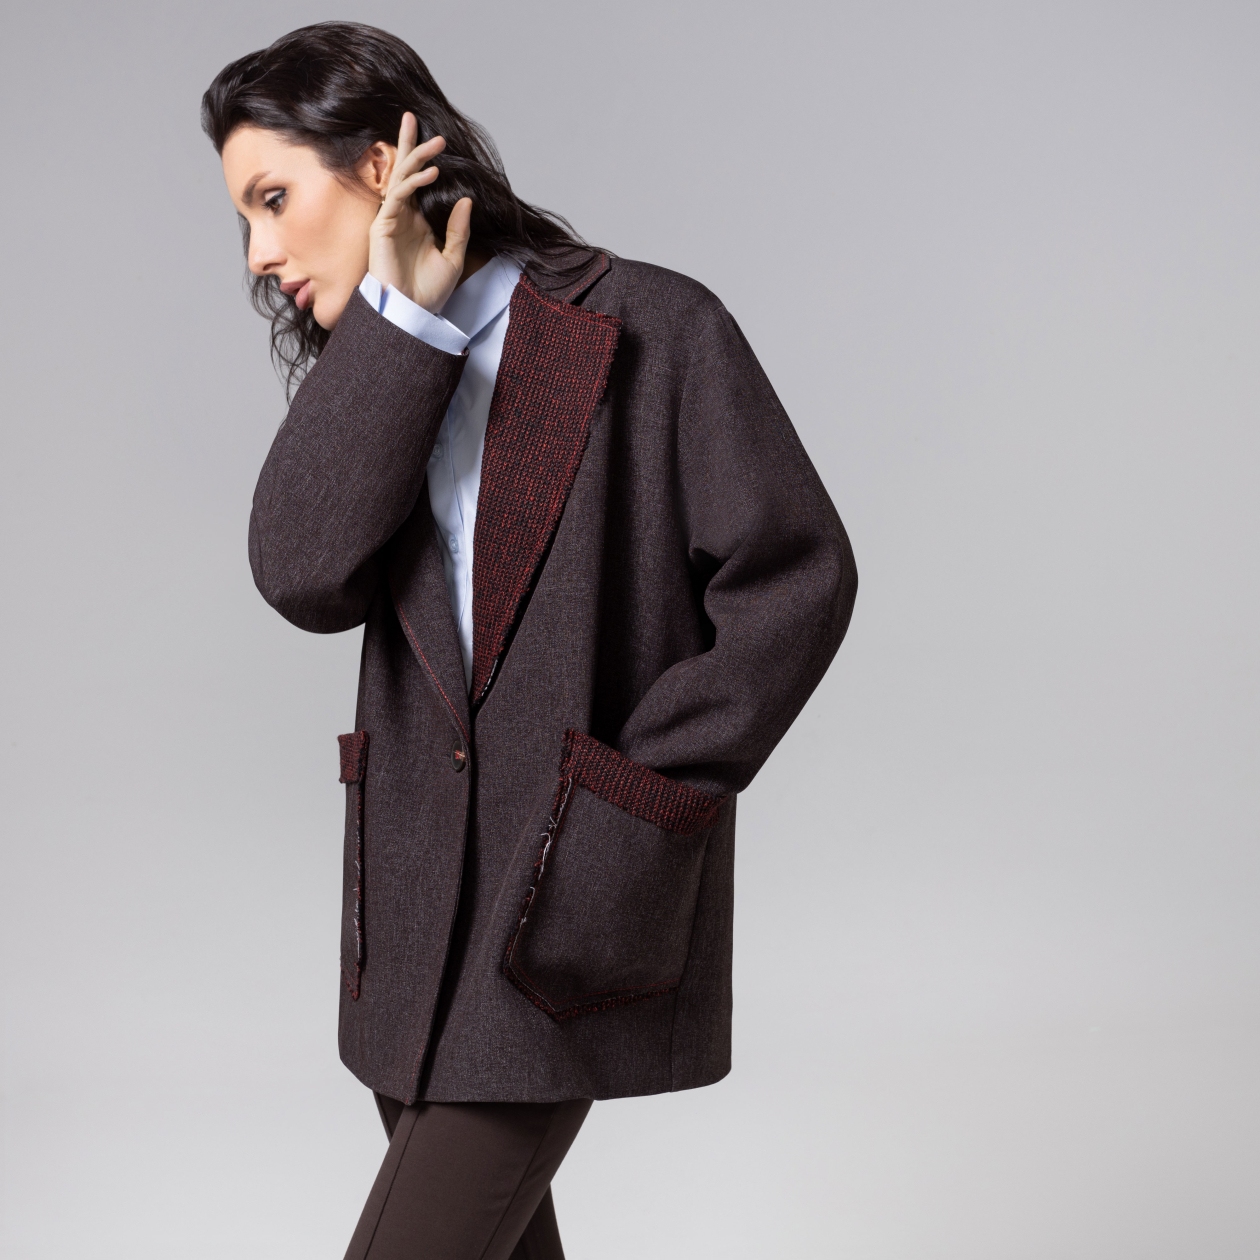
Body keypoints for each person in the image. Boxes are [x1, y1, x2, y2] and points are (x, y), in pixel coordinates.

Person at [204, 20, 857, 1260]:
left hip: (567, 895)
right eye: (244, 219)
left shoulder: (653, 327)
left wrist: (637, 796)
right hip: (415, 916)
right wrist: (402, 329)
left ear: (382, 163)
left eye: (274, 200)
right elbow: (299, 574)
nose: (259, 253)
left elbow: (796, 577)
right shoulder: (378, 369)